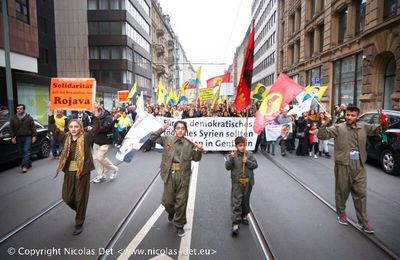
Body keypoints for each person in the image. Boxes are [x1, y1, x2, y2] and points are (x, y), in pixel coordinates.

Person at [318, 105, 388, 234]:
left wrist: (384, 122)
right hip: (343, 165)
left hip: (359, 165)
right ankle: (341, 213)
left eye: (352, 115)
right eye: (348, 114)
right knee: (342, 191)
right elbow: (322, 135)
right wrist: (326, 122)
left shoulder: (364, 127)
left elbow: (379, 130)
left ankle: (363, 221)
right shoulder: (338, 128)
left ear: (357, 116)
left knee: (361, 194)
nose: (349, 117)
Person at [48, 105, 100, 236]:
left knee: (81, 197)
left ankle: (79, 222)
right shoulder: (65, 138)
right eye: (71, 127)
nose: (73, 129)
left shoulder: (87, 137)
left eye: (76, 127)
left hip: (83, 171)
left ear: (80, 128)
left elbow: (96, 129)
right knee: (67, 197)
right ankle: (80, 210)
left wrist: (95, 115)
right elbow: (53, 129)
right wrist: (51, 112)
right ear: (68, 128)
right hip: (69, 171)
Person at [150, 120, 203, 237]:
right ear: (174, 130)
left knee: (181, 201)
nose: (180, 130)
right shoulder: (167, 140)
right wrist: (162, 129)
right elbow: (152, 138)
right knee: (167, 201)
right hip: (169, 174)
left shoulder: (189, 144)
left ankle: (179, 225)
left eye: (182, 128)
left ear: (185, 131)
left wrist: (198, 151)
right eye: (178, 128)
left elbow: (196, 158)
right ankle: (171, 211)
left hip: (183, 175)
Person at [225, 136, 258, 236]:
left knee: (245, 201)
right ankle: (235, 223)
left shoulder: (250, 154)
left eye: (244, 145)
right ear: (236, 146)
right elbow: (227, 167)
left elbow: (255, 165)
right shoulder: (233, 155)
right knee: (236, 202)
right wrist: (231, 158)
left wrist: (247, 161)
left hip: (248, 183)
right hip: (237, 183)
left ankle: (244, 215)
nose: (242, 147)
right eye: (240, 145)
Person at [93, 106, 118, 183]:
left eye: (96, 112)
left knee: (100, 157)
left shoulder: (108, 118)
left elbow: (105, 129)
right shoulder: (95, 117)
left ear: (100, 111)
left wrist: (94, 128)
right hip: (96, 141)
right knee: (96, 159)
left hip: (105, 141)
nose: (94, 114)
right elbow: (93, 126)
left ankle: (114, 169)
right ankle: (101, 176)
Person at [9, 104, 37, 173]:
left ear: (24, 110)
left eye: (20, 109)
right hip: (18, 137)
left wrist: (34, 136)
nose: (19, 110)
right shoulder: (13, 118)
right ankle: (29, 163)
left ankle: (24, 166)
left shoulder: (29, 118)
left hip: (28, 137)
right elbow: (11, 129)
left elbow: (33, 127)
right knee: (21, 152)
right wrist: (12, 137)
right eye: (18, 108)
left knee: (26, 151)